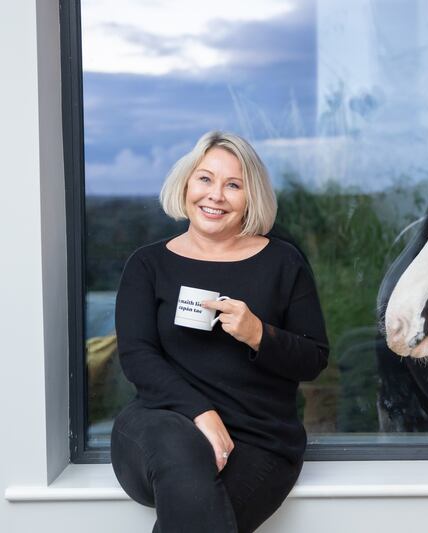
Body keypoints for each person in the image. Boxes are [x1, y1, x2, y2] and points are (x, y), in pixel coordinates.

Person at [110, 131, 329, 533]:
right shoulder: (148, 265)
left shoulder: (283, 262)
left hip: (259, 441)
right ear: (187, 183)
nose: (215, 196)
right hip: (159, 427)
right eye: (205, 179)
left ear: (252, 197)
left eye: (233, 185)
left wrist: (258, 334)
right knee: (181, 448)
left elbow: (314, 358)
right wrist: (201, 413)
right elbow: (138, 358)